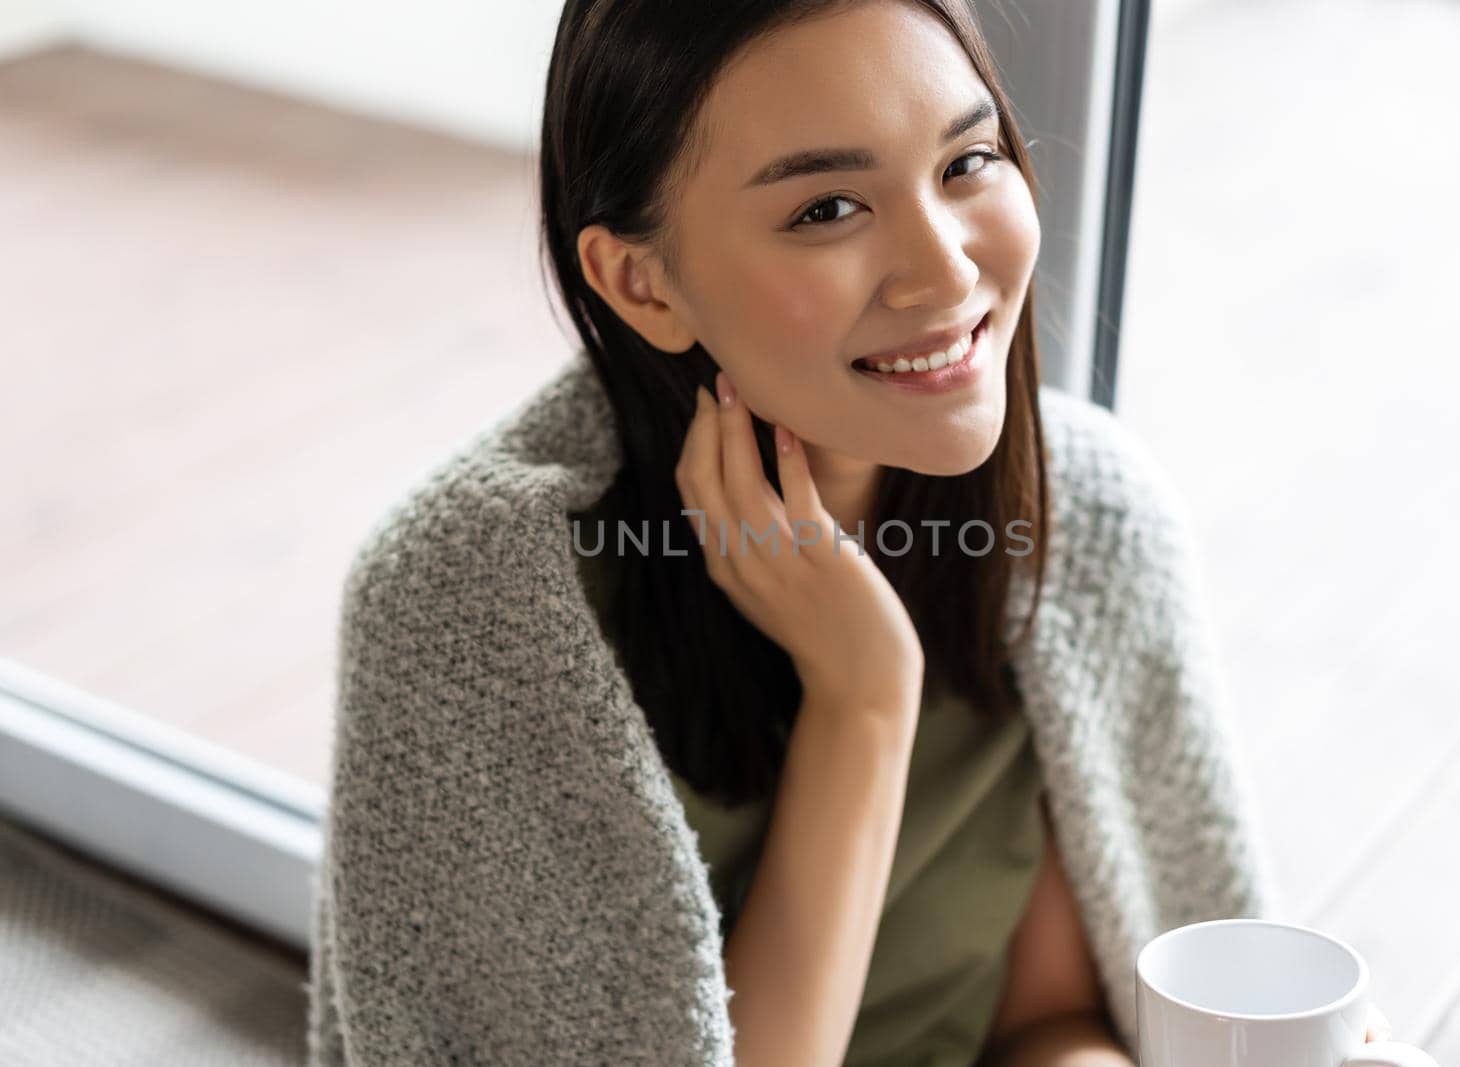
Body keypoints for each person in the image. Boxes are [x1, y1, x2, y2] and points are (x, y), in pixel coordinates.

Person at [304, 2, 1299, 1064]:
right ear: (640, 282)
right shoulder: (476, 607)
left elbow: (1048, 1019)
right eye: (828, 206)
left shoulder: (1085, 527)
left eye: (967, 161)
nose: (948, 269)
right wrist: (864, 694)